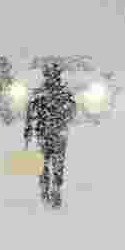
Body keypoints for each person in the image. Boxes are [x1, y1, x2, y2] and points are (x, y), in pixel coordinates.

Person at [23, 61, 77, 209]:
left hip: (48, 133)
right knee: (53, 163)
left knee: (47, 163)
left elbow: (30, 114)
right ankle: (51, 189)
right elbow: (72, 111)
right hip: (55, 133)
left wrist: (28, 130)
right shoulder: (62, 93)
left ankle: (49, 189)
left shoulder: (41, 94)